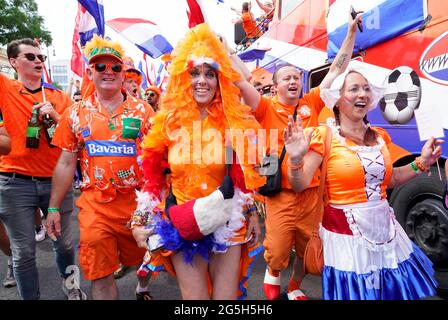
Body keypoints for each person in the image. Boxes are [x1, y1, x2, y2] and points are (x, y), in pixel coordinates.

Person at [283, 61, 440, 300]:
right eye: (354, 89)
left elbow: (392, 178)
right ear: (337, 98)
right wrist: (295, 159)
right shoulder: (323, 136)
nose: (362, 94)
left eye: (366, 89)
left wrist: (422, 162)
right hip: (346, 239)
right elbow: (300, 183)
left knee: (390, 292)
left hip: (386, 232)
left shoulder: (379, 137)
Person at [130, 23, 265, 300]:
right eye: (194, 73)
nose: (202, 80)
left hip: (227, 220)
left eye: (210, 74)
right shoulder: (168, 122)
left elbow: (237, 173)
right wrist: (140, 219)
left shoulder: (230, 120)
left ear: (219, 80)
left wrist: (251, 212)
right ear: (183, 77)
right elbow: (154, 177)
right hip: (184, 220)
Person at [233, 11, 362, 300]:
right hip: (280, 193)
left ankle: (294, 286)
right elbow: (242, 81)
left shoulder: (311, 102)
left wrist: (351, 33)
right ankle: (275, 272)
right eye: (286, 78)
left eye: (296, 77)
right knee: (278, 249)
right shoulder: (265, 107)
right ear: (276, 86)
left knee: (308, 248)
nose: (293, 81)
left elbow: (338, 68)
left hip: (312, 192)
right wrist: (225, 50)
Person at [47, 35, 154, 300]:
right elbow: (65, 161)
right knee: (100, 273)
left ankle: (143, 285)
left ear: (123, 73)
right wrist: (53, 208)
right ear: (90, 72)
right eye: (100, 67)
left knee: (149, 259)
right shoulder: (75, 113)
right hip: (95, 206)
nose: (108, 72)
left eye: (115, 67)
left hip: (137, 206)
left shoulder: (144, 111)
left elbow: (158, 159)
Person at [0, 38, 86, 300]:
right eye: (30, 57)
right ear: (13, 62)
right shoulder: (6, 89)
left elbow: (80, 138)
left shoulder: (59, 97)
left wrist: (58, 117)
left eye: (41, 57)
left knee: (65, 244)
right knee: (23, 252)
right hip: (15, 183)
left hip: (55, 182)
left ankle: (71, 286)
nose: (38, 61)